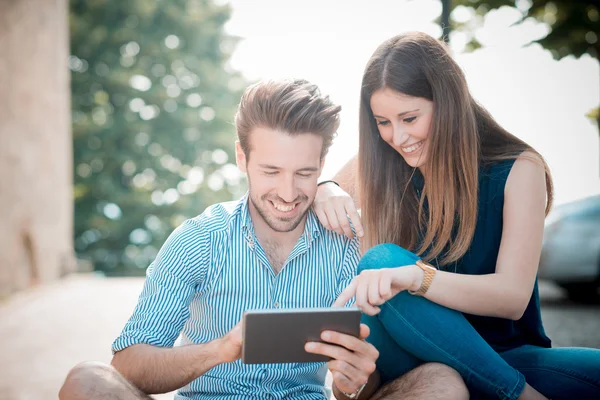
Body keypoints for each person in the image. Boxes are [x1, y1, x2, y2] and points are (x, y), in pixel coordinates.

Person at [59, 79, 469, 400]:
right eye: (271, 171)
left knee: (441, 381)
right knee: (87, 381)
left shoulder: (347, 245)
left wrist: (353, 383)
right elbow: (129, 364)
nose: (288, 194)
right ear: (242, 157)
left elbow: (355, 388)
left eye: (304, 174)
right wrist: (221, 349)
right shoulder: (199, 239)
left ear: (323, 165)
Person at [314, 32, 600, 400]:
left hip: (505, 356)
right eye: (382, 122)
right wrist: (327, 187)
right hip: (415, 359)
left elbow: (511, 296)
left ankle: (495, 385)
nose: (398, 137)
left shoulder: (518, 169)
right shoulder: (382, 162)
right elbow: (318, 190)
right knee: (381, 261)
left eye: (409, 117)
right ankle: (518, 395)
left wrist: (418, 278)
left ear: (447, 102)